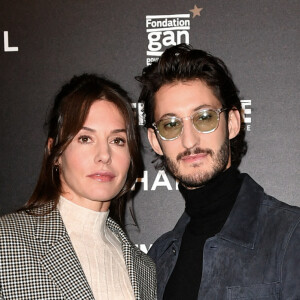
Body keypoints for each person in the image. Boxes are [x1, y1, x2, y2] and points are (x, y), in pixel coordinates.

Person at [136, 44, 300, 299]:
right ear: (156, 141)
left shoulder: (292, 236)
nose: (189, 141)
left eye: (204, 118)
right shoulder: (156, 259)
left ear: (232, 123)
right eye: (170, 124)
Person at [0, 74, 156, 300]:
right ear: (55, 153)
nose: (104, 155)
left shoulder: (145, 270)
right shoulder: (7, 242)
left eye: (117, 140)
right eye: (85, 138)